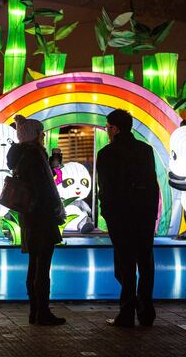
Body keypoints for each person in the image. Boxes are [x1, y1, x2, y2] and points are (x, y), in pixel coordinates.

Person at [96, 109, 159, 327]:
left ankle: (127, 312)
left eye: (107, 126)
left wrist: (107, 214)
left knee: (124, 263)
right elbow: (152, 185)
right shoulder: (145, 150)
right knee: (145, 261)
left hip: (120, 217)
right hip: (143, 215)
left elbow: (105, 188)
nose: (106, 130)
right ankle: (146, 310)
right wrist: (151, 213)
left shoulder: (106, 154)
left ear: (114, 128)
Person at [7, 115, 66, 326]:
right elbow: (45, 188)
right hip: (42, 217)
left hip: (29, 218)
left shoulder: (21, 155)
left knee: (34, 265)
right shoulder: (35, 155)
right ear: (34, 135)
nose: (43, 137)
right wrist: (57, 210)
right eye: (41, 133)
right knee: (42, 268)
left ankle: (35, 311)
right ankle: (42, 312)